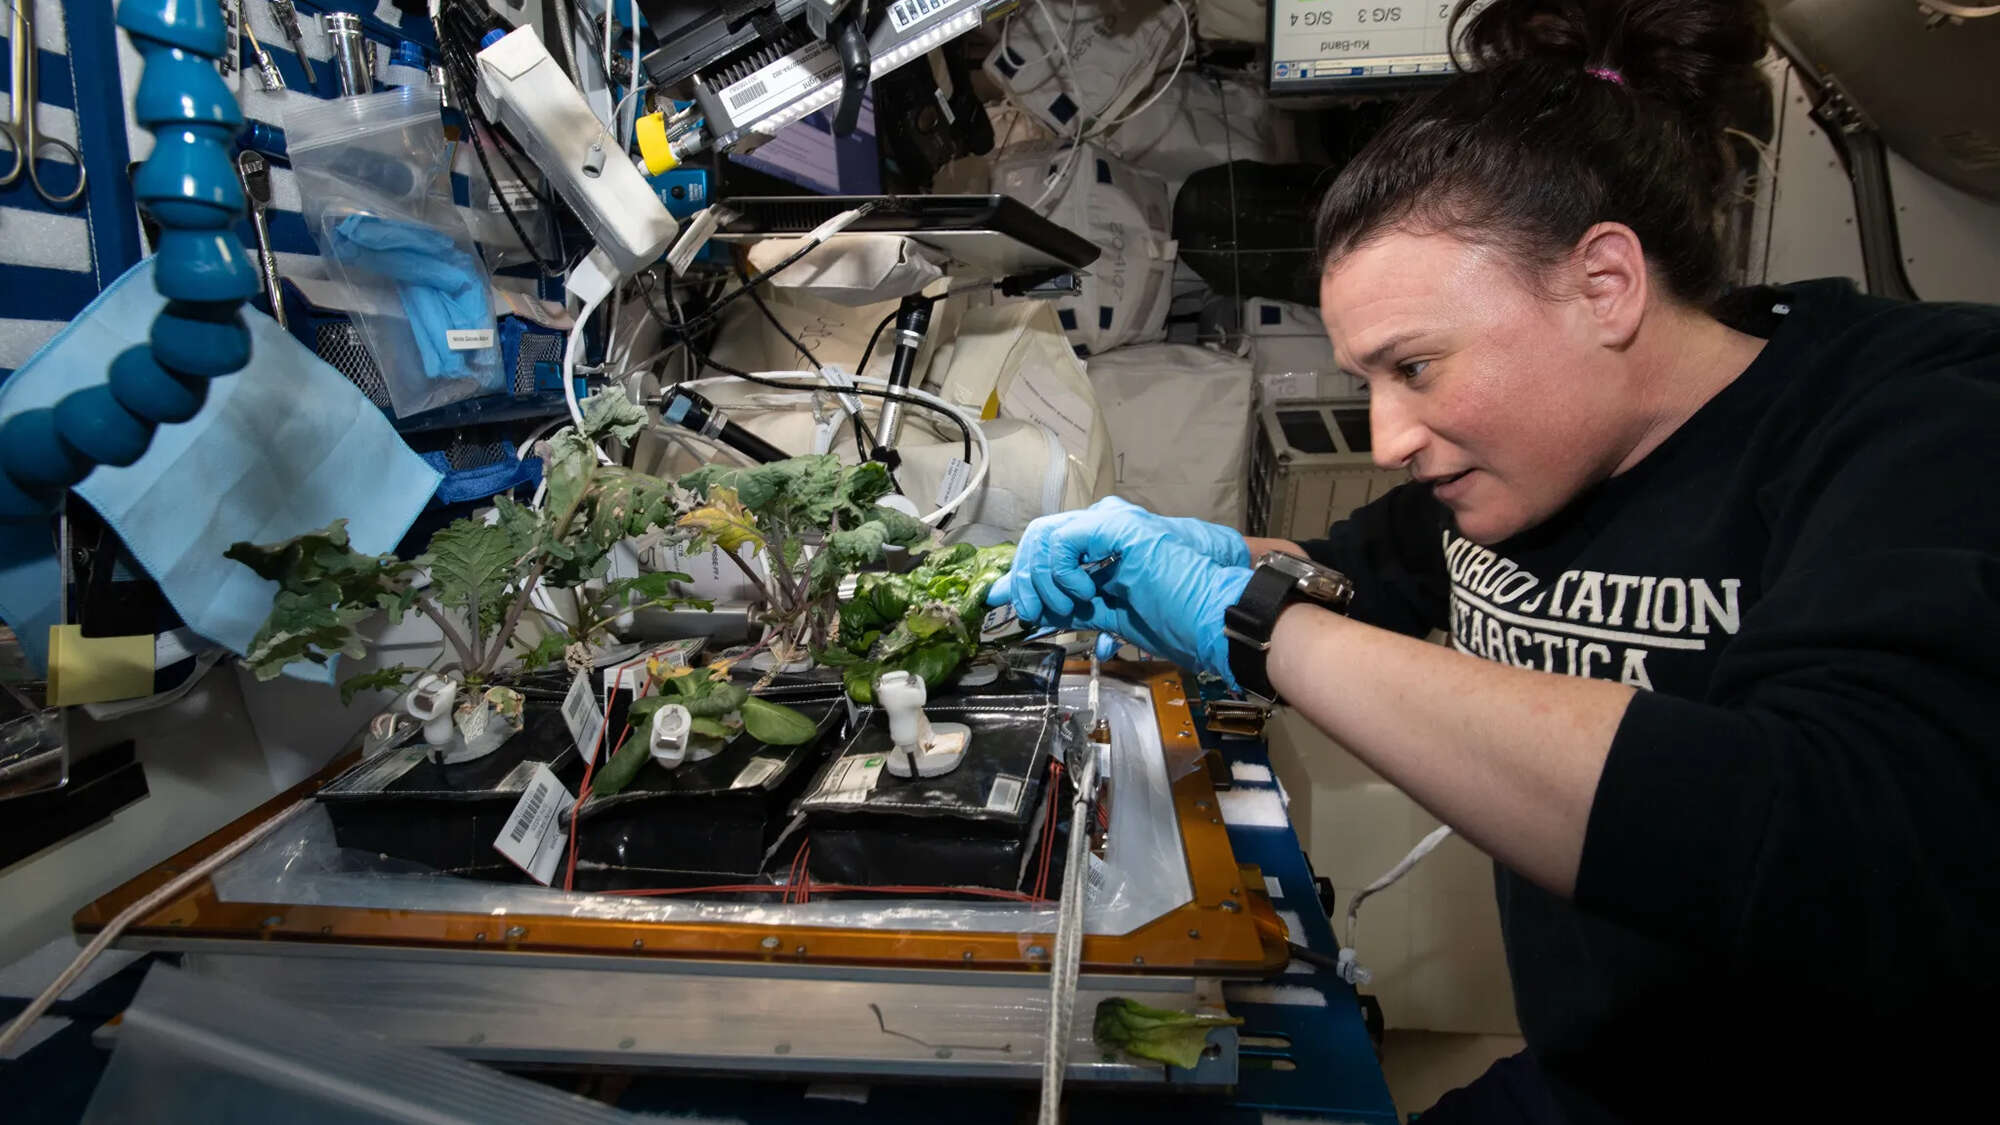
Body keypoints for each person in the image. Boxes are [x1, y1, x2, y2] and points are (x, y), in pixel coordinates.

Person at [987, 0, 2000, 1120]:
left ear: (1601, 284)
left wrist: (1255, 624)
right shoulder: (1522, 470)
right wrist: (1193, 557)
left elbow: (1823, 832)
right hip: (1599, 1080)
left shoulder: (1919, 422)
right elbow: (1348, 581)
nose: (1386, 440)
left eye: (1413, 368)